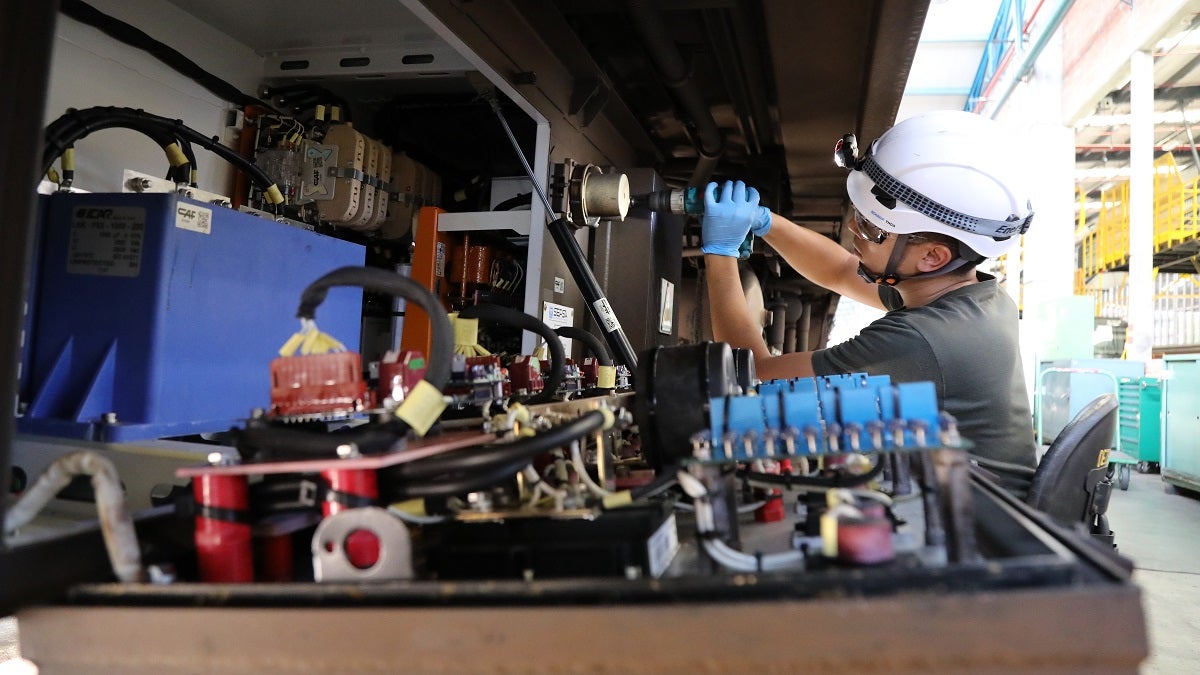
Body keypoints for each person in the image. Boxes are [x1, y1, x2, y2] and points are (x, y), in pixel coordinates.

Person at [701, 110, 1037, 495]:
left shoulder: (917, 338)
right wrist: (765, 223)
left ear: (932, 257)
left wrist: (720, 254)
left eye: (872, 229)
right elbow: (843, 272)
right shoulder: (978, 298)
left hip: (980, 527)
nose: (854, 230)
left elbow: (754, 373)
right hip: (992, 508)